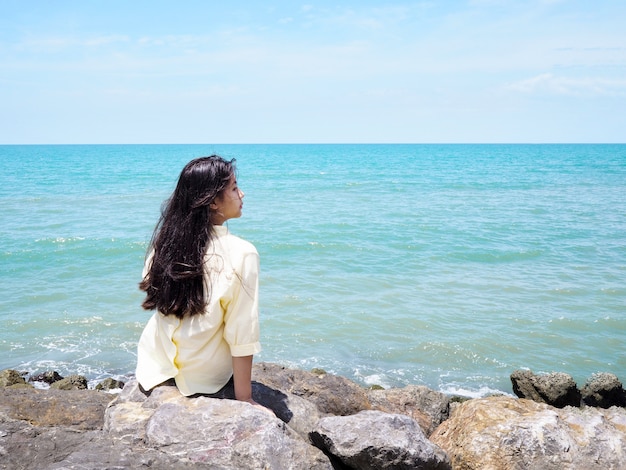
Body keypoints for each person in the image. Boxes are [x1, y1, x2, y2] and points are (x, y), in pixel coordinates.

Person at [136, 155, 262, 407]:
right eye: (235, 188)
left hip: (153, 367)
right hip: (206, 378)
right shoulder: (242, 253)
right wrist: (245, 399)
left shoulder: (165, 244)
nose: (243, 194)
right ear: (213, 202)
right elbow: (242, 331)